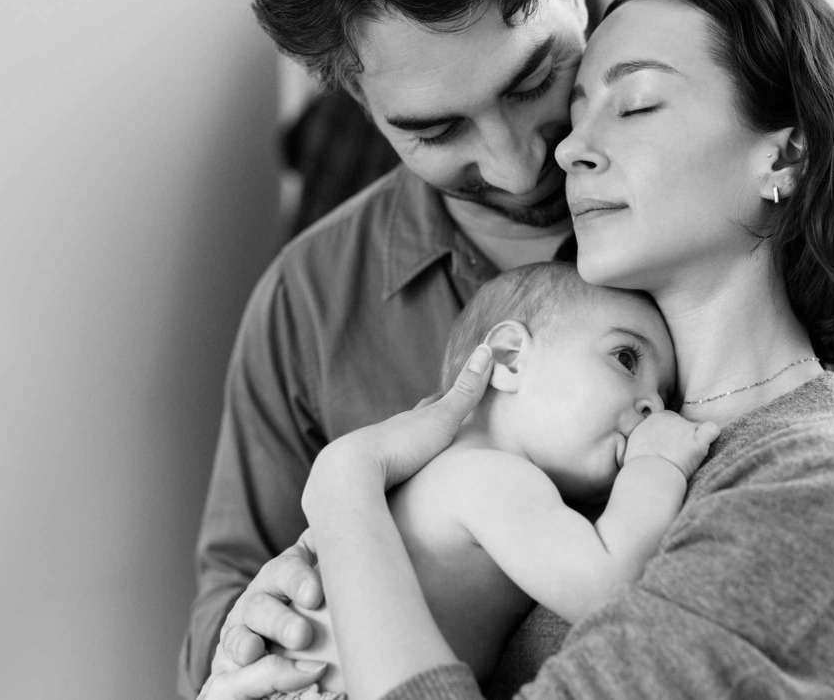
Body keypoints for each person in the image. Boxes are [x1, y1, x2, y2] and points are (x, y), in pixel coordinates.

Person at [179, 0, 834, 697]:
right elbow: (233, 607)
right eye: (437, 130)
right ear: (360, 100)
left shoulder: (749, 237)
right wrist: (258, 639)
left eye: (533, 83)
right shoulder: (310, 300)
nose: (522, 163)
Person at [268, 263, 719, 696]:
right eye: (626, 358)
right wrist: (656, 462)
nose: (654, 407)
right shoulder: (488, 475)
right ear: (509, 357)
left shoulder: (435, 473)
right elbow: (608, 587)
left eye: (664, 395)